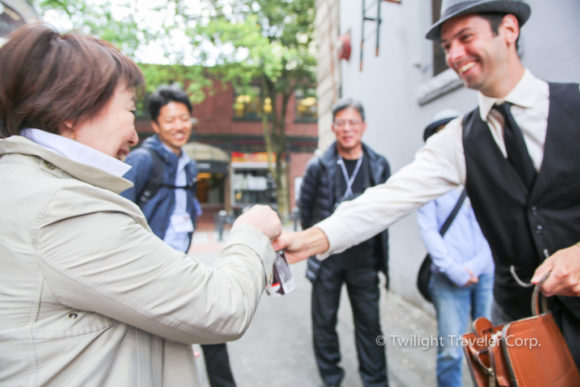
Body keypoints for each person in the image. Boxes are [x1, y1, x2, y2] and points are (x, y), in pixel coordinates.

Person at [274, 0, 580, 368]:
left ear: (509, 30)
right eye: (447, 46)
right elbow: (385, 200)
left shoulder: (573, 105)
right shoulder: (457, 141)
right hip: (522, 324)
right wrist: (305, 242)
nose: (454, 54)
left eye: (465, 37)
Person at [0, 24, 281, 386]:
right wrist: (251, 232)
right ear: (72, 111)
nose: (134, 135)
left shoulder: (28, 183)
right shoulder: (64, 208)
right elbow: (219, 308)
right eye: (129, 111)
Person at [121, 85, 237, 387]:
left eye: (184, 119)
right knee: (156, 347)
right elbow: (115, 210)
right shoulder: (142, 160)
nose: (179, 126)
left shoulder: (189, 164)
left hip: (177, 265)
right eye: (170, 120)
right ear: (156, 125)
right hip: (147, 272)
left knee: (212, 325)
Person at [299, 97, 390, 387]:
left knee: (370, 326)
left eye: (353, 122)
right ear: (333, 128)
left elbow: (387, 210)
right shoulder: (319, 166)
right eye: (341, 123)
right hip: (327, 262)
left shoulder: (378, 165)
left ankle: (375, 381)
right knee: (324, 324)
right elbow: (305, 211)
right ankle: (332, 379)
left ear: (363, 126)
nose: (347, 128)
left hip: (365, 262)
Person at [417, 112, 494, 387]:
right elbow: (429, 231)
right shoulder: (428, 182)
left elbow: (494, 226)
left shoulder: (483, 173)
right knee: (450, 351)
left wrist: (475, 267)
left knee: (489, 348)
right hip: (448, 277)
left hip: (485, 273)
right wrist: (455, 270)